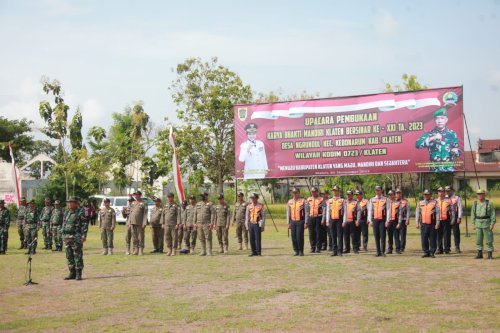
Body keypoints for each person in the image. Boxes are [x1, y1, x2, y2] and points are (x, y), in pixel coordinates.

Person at [415, 107, 461, 172]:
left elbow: (458, 153)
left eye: (442, 118)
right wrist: (432, 138)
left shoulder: (452, 134)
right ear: (434, 120)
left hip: (449, 170)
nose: (440, 121)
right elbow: (417, 145)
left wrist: (456, 151)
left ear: (446, 120)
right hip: (434, 171)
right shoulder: (429, 134)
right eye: (437, 119)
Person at [62, 196, 88, 280]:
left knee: (77, 255)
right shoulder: (67, 212)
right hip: (67, 237)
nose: (69, 203)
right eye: (68, 202)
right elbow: (64, 223)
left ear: (76, 203)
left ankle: (78, 273)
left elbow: (84, 224)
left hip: (76, 236)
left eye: (71, 202)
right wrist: (63, 233)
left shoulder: (80, 212)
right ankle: (72, 272)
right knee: (69, 255)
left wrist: (84, 235)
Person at [415, 189, 440, 258]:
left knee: (432, 238)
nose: (426, 196)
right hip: (423, 224)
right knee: (424, 238)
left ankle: (432, 252)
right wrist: (417, 222)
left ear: (430, 195)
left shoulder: (435, 203)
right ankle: (426, 252)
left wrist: (437, 223)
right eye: (425, 194)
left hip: (432, 223)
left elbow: (438, 213)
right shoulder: (420, 203)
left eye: (427, 194)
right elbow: (417, 213)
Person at [471, 189, 496, 259]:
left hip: (486, 223)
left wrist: (492, 223)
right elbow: (472, 214)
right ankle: (479, 253)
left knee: (489, 239)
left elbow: (492, 214)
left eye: (481, 194)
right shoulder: (475, 203)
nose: (480, 195)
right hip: (478, 223)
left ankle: (490, 254)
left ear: (484, 195)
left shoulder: (489, 203)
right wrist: (473, 223)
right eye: (478, 194)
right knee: (478, 239)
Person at [368, 186, 388, 257]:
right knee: (376, 236)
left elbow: (388, 210)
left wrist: (387, 221)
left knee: (383, 236)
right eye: (376, 190)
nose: (377, 191)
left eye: (378, 190)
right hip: (375, 220)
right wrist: (370, 220)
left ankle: (383, 252)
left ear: (381, 190)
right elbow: (370, 210)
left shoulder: (386, 199)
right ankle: (378, 251)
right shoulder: (372, 200)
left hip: (383, 220)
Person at [287, 188, 307, 256]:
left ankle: (301, 251)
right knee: (294, 237)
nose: (295, 194)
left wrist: (306, 222)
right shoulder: (290, 201)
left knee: (299, 236)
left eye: (296, 193)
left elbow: (306, 212)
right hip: (293, 221)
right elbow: (288, 213)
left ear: (299, 193)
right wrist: (288, 222)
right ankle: (296, 250)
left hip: (300, 221)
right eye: (293, 193)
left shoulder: (303, 201)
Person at [325, 186, 344, 256]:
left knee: (340, 235)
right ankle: (334, 251)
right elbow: (327, 211)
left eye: (336, 190)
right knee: (333, 236)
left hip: (339, 220)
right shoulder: (330, 201)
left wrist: (344, 221)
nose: (334, 192)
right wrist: (327, 221)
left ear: (338, 191)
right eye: (333, 190)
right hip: (332, 219)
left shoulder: (342, 200)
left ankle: (339, 251)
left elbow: (345, 212)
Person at [436, 187, 455, 254]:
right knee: (438, 235)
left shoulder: (449, 200)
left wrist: (453, 219)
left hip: (446, 220)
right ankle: (439, 249)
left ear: (444, 192)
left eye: (442, 192)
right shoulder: (435, 201)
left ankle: (447, 249)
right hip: (438, 220)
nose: (441, 193)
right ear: (438, 193)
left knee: (447, 235)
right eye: (439, 192)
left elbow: (452, 210)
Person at [129, 191, 148, 256]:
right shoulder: (133, 203)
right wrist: (129, 222)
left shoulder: (143, 203)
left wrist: (144, 223)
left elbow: (145, 214)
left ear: (140, 195)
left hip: (140, 223)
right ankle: (136, 249)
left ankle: (141, 249)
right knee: (134, 237)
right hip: (133, 222)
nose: (136, 196)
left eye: (137, 195)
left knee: (140, 236)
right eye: (135, 195)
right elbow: (130, 213)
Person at [305, 187, 324, 253]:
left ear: (317, 192)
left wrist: (323, 219)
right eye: (312, 192)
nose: (313, 193)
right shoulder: (308, 199)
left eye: (315, 191)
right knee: (311, 233)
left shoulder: (321, 199)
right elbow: (307, 211)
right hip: (311, 217)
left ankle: (318, 247)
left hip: (318, 217)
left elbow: (324, 210)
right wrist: (306, 221)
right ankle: (312, 247)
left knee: (318, 233)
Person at [446, 185, 463, 253]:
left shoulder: (457, 198)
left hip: (455, 216)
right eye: (446, 191)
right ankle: (447, 247)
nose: (447, 192)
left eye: (449, 191)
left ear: (452, 190)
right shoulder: (444, 198)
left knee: (456, 232)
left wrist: (459, 217)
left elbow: (460, 208)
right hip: (446, 217)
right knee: (447, 233)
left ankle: (457, 247)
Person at [385, 190, 401, 254]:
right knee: (389, 236)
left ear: (394, 195)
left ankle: (397, 249)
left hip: (395, 221)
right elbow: (386, 213)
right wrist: (386, 221)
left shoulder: (398, 203)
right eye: (389, 195)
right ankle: (390, 249)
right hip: (389, 221)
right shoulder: (386, 203)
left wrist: (399, 223)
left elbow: (400, 214)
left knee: (396, 236)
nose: (390, 196)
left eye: (391, 194)